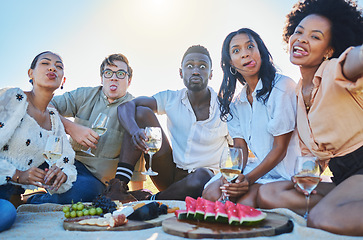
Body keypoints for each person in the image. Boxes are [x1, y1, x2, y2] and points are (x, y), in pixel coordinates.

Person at [257, 0, 363, 236]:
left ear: (329, 50)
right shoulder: (295, 95)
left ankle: (331, 212)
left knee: (322, 218)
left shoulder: (334, 71)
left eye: (315, 37)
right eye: (299, 32)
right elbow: (313, 158)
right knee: (269, 193)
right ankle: (338, 209)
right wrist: (306, 176)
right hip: (343, 177)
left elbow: (354, 61)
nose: (302, 39)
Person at [28, 53, 149, 204]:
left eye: (120, 73)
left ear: (129, 80)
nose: (114, 77)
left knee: (84, 193)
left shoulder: (133, 109)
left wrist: (134, 196)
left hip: (94, 180)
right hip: (65, 160)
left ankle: (35, 200)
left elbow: (137, 155)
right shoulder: (85, 94)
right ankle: (12, 189)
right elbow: (42, 105)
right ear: (102, 78)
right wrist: (71, 127)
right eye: (108, 73)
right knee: (24, 142)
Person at [115, 45, 231, 201]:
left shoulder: (225, 109)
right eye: (189, 66)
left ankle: (152, 200)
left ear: (210, 74)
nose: (195, 71)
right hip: (170, 173)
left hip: (204, 182)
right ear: (181, 73)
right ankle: (117, 187)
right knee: (141, 112)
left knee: (203, 174)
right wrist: (134, 130)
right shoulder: (171, 98)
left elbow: (238, 150)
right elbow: (126, 106)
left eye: (202, 67)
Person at [201, 28, 300, 207]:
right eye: (236, 51)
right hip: (259, 167)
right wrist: (231, 176)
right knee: (212, 193)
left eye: (250, 47)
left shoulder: (282, 87)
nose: (246, 54)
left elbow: (280, 148)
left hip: (286, 171)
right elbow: (239, 147)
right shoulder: (237, 102)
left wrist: (248, 179)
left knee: (244, 202)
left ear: (260, 52)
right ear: (231, 63)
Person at [0, 51, 77, 205]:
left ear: (63, 81)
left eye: (58, 66)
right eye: (45, 63)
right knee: (6, 214)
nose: (52, 68)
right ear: (31, 74)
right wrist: (17, 175)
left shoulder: (54, 118)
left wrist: (62, 174)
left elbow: (66, 159)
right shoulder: (14, 98)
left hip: (10, 195)